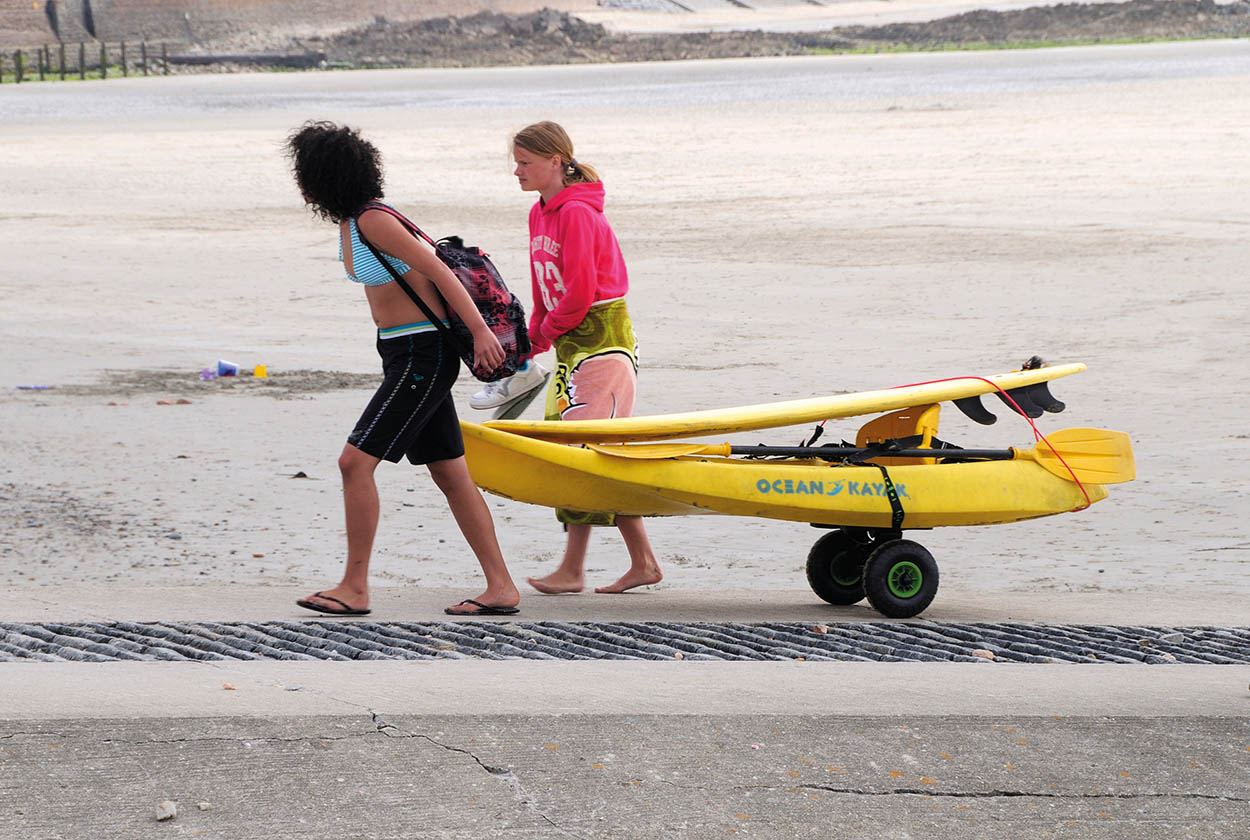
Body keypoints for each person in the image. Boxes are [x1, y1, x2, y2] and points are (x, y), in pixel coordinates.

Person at [284, 120, 520, 617]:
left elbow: (439, 271)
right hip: (400, 352)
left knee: (354, 463)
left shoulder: (374, 220)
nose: (302, 185)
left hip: (422, 356)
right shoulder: (352, 220)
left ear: (325, 175)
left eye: (304, 174)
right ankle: (501, 587)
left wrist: (479, 332)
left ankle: (354, 587)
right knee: (451, 474)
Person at [507, 120, 663, 595]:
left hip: (603, 339)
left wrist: (546, 334)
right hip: (570, 341)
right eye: (515, 163)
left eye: (525, 163)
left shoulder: (577, 214)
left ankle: (590, 568)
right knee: (577, 453)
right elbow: (543, 288)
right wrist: (530, 338)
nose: (517, 172)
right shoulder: (540, 212)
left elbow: (579, 295)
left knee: (584, 454)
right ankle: (624, 564)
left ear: (556, 162)